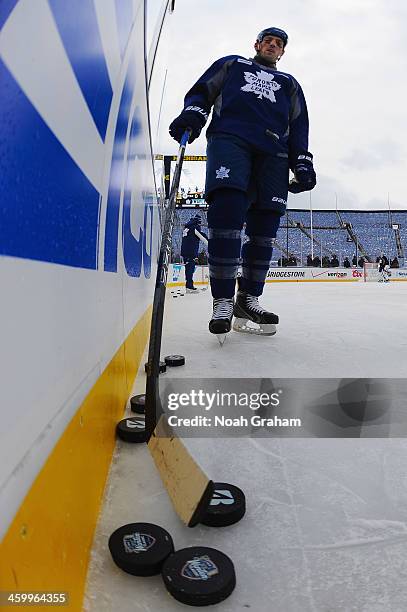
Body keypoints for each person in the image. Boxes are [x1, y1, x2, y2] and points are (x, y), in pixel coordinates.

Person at [169, 27, 316, 340]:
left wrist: (302, 161)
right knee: (228, 212)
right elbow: (202, 92)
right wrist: (193, 114)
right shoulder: (233, 64)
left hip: (274, 153)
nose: (273, 46)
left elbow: (299, 125)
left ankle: (247, 299)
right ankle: (222, 299)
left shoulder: (289, 84)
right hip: (231, 141)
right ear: (258, 44)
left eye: (279, 44)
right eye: (269, 41)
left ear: (282, 52)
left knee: (265, 227)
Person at [180, 215, 208, 293]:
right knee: (190, 269)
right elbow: (200, 236)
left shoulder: (187, 227)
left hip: (185, 251)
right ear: (198, 221)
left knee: (188, 269)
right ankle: (189, 286)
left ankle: (188, 285)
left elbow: (195, 235)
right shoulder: (195, 227)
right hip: (190, 252)